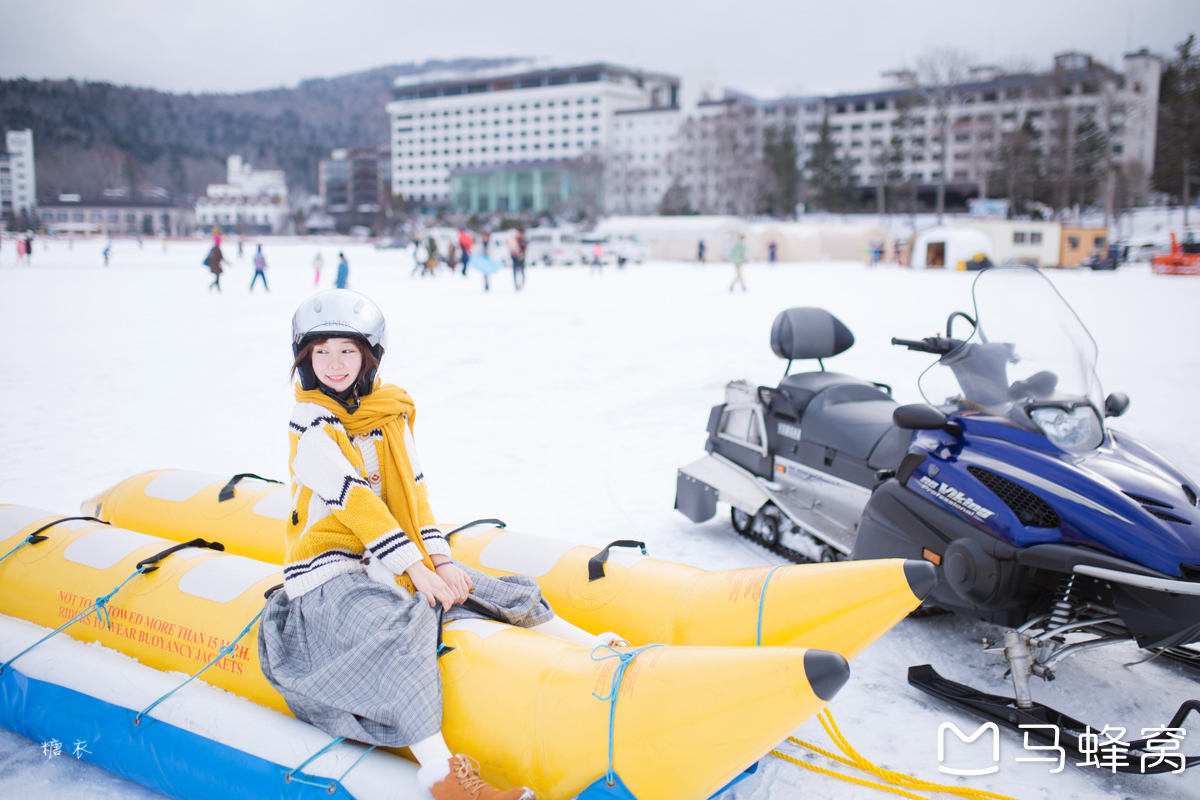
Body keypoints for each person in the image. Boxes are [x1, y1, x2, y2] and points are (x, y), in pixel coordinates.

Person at [261, 291, 624, 800]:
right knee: (403, 629)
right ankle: (444, 776)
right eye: (322, 352)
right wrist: (419, 570)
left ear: (371, 354)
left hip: (387, 557)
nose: (335, 364)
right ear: (304, 358)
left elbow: (416, 495)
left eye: (347, 350)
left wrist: (442, 560)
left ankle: (596, 648)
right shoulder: (310, 423)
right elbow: (357, 503)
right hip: (328, 573)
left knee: (489, 588)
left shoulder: (390, 413)